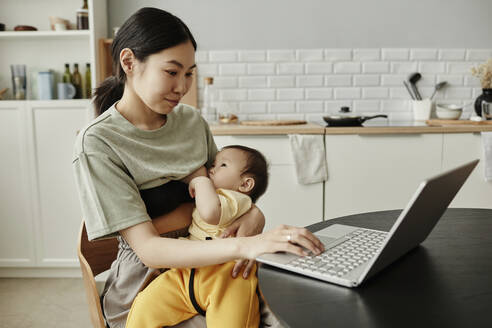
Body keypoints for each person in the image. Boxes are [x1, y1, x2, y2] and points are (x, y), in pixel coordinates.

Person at [73, 7, 324, 328]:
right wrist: (243, 244)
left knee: (300, 310)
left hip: (217, 264)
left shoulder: (191, 121)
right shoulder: (98, 143)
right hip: (146, 288)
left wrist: (253, 216)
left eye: (189, 73)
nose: (182, 86)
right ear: (129, 62)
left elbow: (224, 190)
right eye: (172, 72)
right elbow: (148, 250)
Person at [126, 145, 269, 328]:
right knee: (144, 305)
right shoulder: (213, 195)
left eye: (223, 165)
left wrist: (200, 181)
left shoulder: (237, 200)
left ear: (245, 184)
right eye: (214, 164)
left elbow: (210, 212)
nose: (212, 169)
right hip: (186, 272)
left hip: (227, 278)